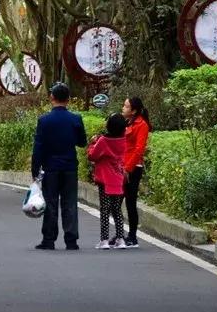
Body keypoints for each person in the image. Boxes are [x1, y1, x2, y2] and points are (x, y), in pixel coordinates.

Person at [31, 82, 87, 250]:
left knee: (51, 202)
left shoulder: (44, 121)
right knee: (70, 203)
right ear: (68, 99)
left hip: (51, 168)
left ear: (52, 98)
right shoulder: (75, 119)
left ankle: (48, 240)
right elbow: (82, 142)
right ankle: (71, 240)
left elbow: (38, 147)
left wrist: (35, 170)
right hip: (70, 167)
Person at [87, 114, 128, 249]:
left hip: (104, 179)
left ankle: (104, 240)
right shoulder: (123, 140)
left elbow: (92, 156)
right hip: (118, 178)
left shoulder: (103, 140)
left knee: (104, 210)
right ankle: (120, 239)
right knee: (117, 209)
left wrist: (93, 143)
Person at [122, 96, 151, 248]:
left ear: (133, 111)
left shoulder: (142, 125)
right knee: (116, 201)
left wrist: (128, 168)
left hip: (133, 168)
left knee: (130, 202)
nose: (123, 108)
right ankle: (120, 234)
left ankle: (132, 236)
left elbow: (139, 149)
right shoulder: (127, 122)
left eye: (126, 106)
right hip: (122, 166)